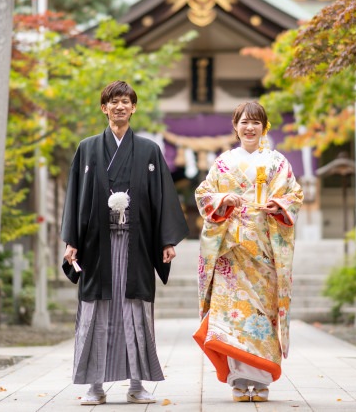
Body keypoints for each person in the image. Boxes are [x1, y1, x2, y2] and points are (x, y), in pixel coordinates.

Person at [60, 80, 189, 405]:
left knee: (135, 311)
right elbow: (75, 196)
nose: (119, 106)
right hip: (96, 245)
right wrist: (71, 240)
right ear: (104, 108)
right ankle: (94, 386)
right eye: (113, 101)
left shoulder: (148, 150)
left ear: (133, 108)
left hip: (137, 245)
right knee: (97, 312)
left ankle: (136, 384)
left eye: (125, 101)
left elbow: (161, 196)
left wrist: (167, 239)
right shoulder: (87, 148)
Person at [193, 101, 303, 403]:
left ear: (263, 127)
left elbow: (295, 194)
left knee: (262, 313)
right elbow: (203, 194)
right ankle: (239, 379)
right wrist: (224, 198)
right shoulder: (223, 162)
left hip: (265, 247)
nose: (249, 127)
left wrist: (278, 205)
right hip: (231, 249)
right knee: (232, 315)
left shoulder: (277, 162)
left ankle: (262, 377)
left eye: (256, 122)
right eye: (244, 122)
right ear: (235, 126)